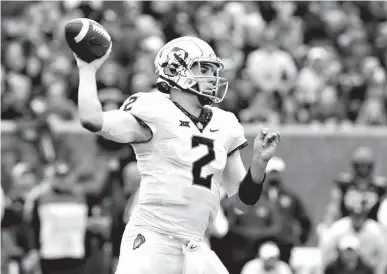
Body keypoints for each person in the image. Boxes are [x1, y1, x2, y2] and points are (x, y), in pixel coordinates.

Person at [72, 36, 280, 274]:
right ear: (175, 69)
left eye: (213, 71)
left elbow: (243, 203)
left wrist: (259, 164)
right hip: (153, 236)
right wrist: (87, 69)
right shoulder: (153, 108)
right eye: (204, 69)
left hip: (195, 243)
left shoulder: (225, 123)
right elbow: (92, 119)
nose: (212, 77)